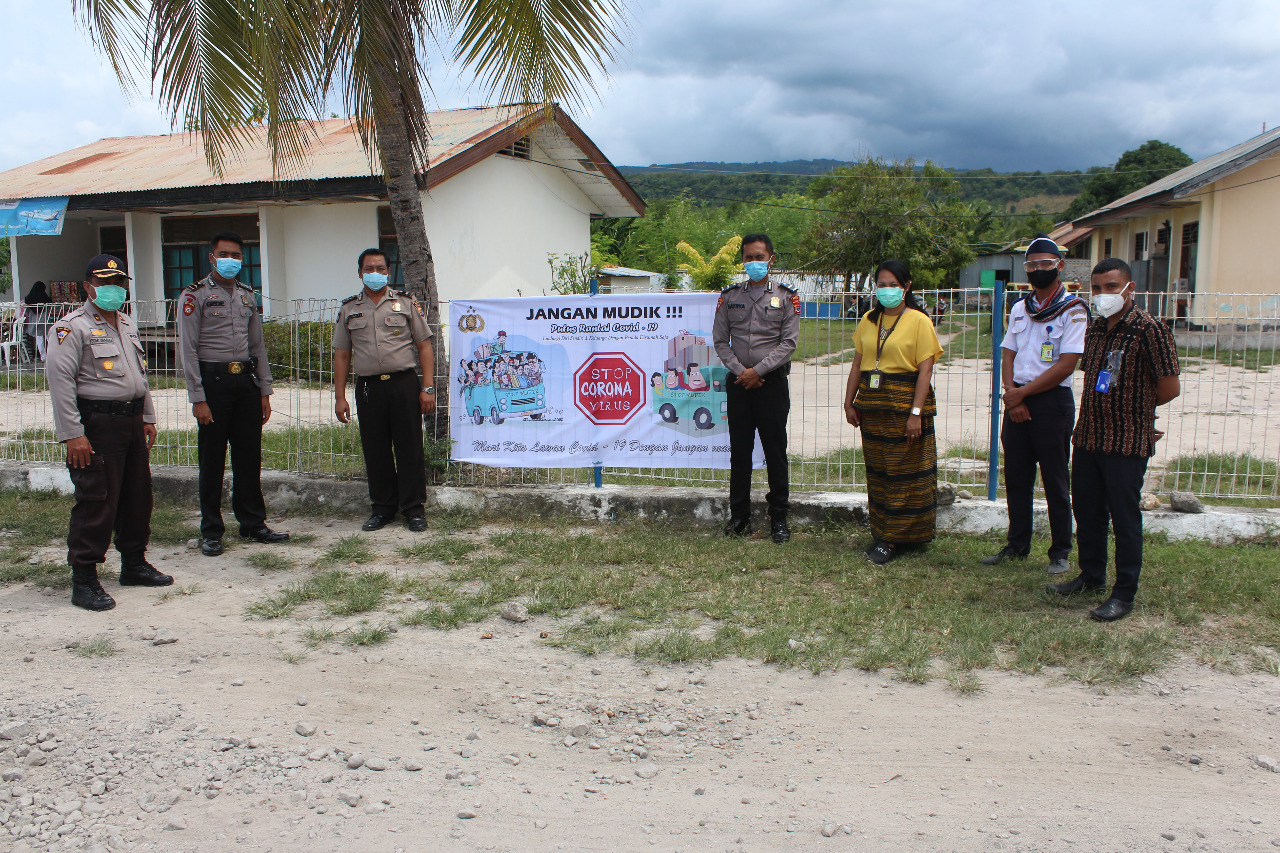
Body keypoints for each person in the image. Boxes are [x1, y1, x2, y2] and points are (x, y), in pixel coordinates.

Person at [1049, 258, 1180, 621]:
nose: (1103, 295)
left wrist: (1138, 409)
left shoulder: (1150, 330)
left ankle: (1123, 593)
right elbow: (1094, 375)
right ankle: (1090, 576)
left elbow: (1169, 386)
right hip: (1090, 436)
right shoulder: (1095, 329)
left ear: (1129, 289)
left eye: (1110, 287)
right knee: (1087, 512)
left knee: (1124, 519)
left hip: (1126, 440)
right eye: (1097, 288)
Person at [45, 255, 172, 611]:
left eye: (119, 283)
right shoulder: (71, 328)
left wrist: (146, 416)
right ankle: (84, 578)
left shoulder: (127, 324)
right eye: (104, 284)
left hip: (130, 421)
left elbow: (138, 376)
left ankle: (133, 563)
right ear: (88, 287)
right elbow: (60, 384)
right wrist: (73, 433)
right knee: (97, 499)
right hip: (96, 424)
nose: (113, 290)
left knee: (136, 496)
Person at [982, 235, 1090, 575]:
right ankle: (1017, 544)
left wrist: (1021, 396)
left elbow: (1067, 364)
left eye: (1045, 264)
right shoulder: (1019, 308)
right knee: (1016, 477)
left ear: (1059, 266)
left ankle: (1059, 551)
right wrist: (1012, 392)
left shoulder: (1073, 310)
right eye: (1032, 265)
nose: (1038, 270)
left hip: (1051, 401)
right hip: (1017, 398)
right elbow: (1008, 352)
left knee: (1055, 479)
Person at [177, 232, 289, 557]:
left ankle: (253, 523)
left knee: (248, 456)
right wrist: (198, 398)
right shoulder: (193, 295)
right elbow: (188, 350)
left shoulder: (247, 296)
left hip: (246, 385)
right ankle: (211, 531)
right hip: (213, 384)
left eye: (237, 255)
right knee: (212, 460)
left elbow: (258, 346)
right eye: (224, 254)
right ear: (211, 258)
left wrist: (265, 391)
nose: (231, 260)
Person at [842, 260, 943, 564]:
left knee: (905, 474)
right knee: (879, 473)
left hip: (905, 407)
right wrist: (849, 402)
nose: (887, 290)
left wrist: (915, 413)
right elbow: (858, 364)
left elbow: (925, 372)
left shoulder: (919, 321)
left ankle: (894, 539)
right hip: (873, 408)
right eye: (882, 285)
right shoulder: (868, 321)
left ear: (907, 287)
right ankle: (882, 531)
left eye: (893, 285)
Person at [333, 247, 436, 532]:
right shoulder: (349, 309)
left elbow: (424, 345)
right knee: (375, 449)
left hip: (404, 384)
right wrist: (340, 397)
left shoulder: (405, 303)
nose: (374, 273)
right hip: (369, 388)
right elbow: (342, 354)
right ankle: (382, 508)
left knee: (410, 447)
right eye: (369, 269)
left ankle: (414, 509)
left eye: (380, 269)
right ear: (359, 272)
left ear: (389, 273)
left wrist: (427, 387)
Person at [712, 233, 801, 543]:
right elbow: (721, 341)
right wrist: (742, 372)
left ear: (771, 259)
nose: (754, 262)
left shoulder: (787, 297)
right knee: (740, 452)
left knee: (775, 452)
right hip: (739, 385)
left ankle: (779, 519)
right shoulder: (730, 296)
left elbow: (788, 343)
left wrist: (759, 371)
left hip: (772, 386)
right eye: (748, 257)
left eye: (759, 257)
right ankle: (739, 518)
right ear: (743, 260)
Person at [23, 280, 52, 362]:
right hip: (45, 320)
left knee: (39, 339)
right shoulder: (45, 298)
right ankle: (53, 355)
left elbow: (27, 311)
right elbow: (51, 306)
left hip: (35, 321)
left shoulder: (29, 298)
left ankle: (43, 357)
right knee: (49, 338)